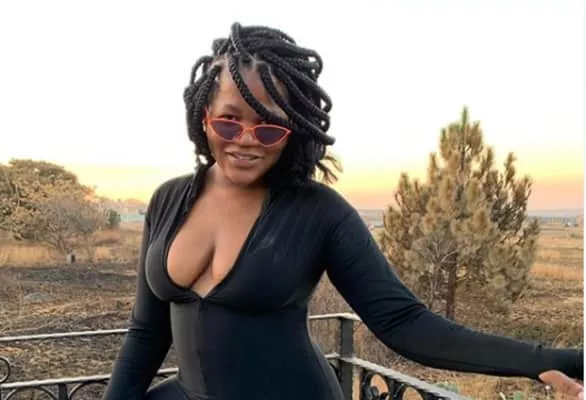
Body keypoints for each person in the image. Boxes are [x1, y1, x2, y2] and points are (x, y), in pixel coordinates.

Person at [102, 23, 583, 400]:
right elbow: (146, 333)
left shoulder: (319, 213)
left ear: (294, 130)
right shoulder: (168, 200)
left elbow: (404, 323)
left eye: (269, 128)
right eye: (229, 122)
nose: (246, 140)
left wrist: (544, 360)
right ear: (204, 117)